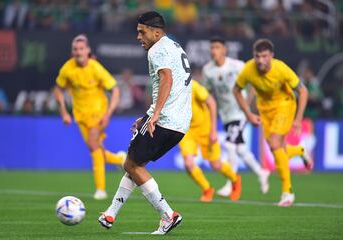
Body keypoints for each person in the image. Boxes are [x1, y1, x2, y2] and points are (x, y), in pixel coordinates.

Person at [98, 11, 192, 235]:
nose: (138, 36)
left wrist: (156, 114)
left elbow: (167, 79)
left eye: (142, 32)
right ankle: (111, 213)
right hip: (180, 123)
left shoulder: (157, 49)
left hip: (166, 119)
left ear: (156, 32)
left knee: (131, 165)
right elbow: (173, 84)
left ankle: (168, 215)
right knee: (134, 163)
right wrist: (149, 114)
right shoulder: (174, 46)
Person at [233, 38, 313, 207]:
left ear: (271, 56)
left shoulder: (281, 68)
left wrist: (298, 119)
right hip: (265, 110)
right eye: (257, 56)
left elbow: (303, 91)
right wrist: (248, 114)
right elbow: (236, 90)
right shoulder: (249, 69)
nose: (260, 60)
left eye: (264, 56)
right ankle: (300, 150)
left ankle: (287, 192)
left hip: (284, 105)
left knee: (275, 144)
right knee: (277, 149)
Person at [54, 34, 125, 200]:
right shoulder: (67, 69)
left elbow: (115, 89)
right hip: (80, 115)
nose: (78, 52)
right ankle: (121, 160)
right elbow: (58, 89)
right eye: (75, 49)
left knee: (93, 145)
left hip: (98, 113)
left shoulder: (96, 68)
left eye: (81, 49)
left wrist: (108, 113)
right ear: (73, 52)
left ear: (88, 51)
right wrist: (64, 112)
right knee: (96, 149)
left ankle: (101, 189)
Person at [202, 37, 270, 197]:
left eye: (217, 47)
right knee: (240, 148)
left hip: (240, 113)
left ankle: (231, 183)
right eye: (212, 48)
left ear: (224, 50)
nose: (214, 51)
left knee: (230, 145)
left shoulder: (237, 65)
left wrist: (246, 104)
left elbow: (253, 82)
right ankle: (261, 172)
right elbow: (208, 93)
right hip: (225, 114)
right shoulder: (208, 70)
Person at [178, 80, 241, 202]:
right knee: (188, 164)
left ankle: (235, 179)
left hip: (205, 129)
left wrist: (213, 130)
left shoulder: (193, 86)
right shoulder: (169, 87)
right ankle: (207, 189)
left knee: (215, 165)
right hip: (186, 130)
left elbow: (211, 103)